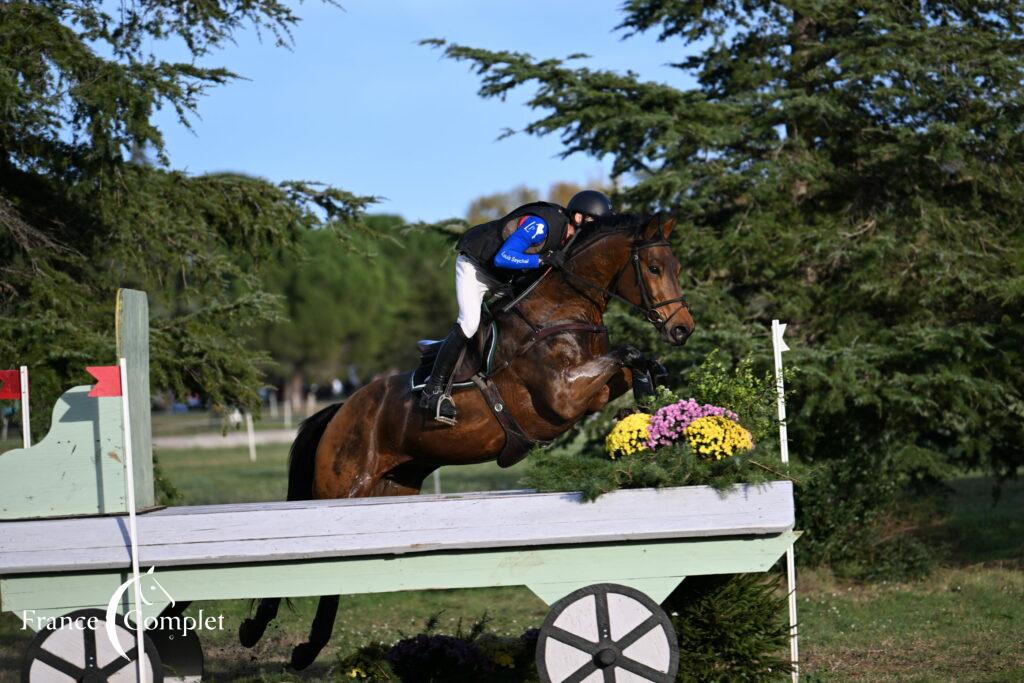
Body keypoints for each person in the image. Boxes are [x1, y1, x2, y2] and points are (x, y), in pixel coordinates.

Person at [419, 190, 614, 424]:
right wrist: (541, 260)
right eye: (594, 223)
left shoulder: (569, 238)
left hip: (503, 279)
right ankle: (434, 390)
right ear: (580, 218)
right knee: (470, 323)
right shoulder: (542, 224)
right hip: (476, 269)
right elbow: (503, 257)